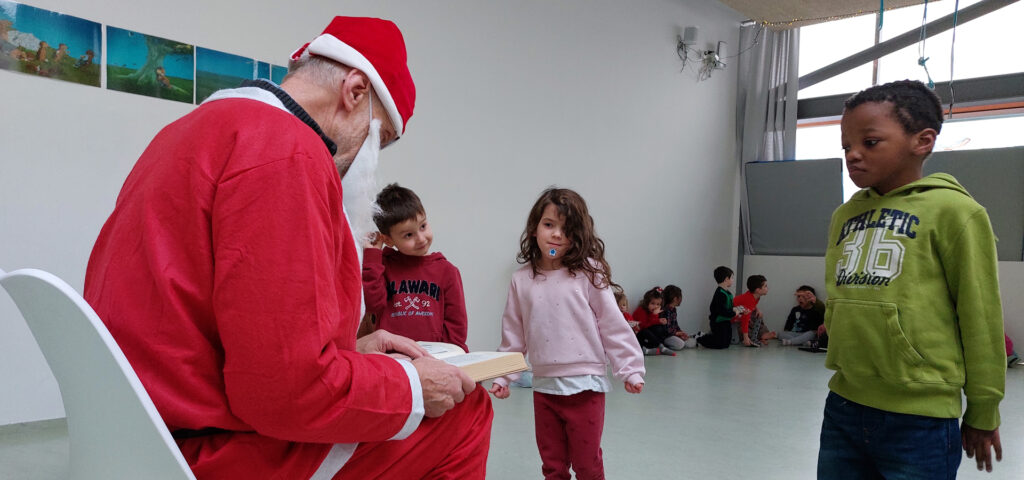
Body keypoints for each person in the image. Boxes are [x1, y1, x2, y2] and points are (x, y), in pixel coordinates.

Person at [84, 16, 492, 479]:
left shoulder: (189, 132)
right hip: (212, 453)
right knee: (464, 410)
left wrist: (357, 350)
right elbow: (286, 395)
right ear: (354, 91)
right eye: (378, 138)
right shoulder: (286, 152)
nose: (369, 158)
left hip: (146, 435)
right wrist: (410, 384)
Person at [818, 80, 1006, 478]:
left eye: (870, 142)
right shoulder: (844, 215)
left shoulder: (956, 212)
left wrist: (984, 409)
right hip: (844, 405)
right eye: (846, 146)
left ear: (922, 141)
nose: (853, 155)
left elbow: (981, 317)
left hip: (919, 418)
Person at [488, 188, 645, 480]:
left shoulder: (589, 273)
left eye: (566, 229)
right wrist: (503, 375)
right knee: (553, 466)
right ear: (535, 227)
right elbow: (513, 335)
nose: (557, 234)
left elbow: (612, 325)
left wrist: (630, 369)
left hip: (586, 387)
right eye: (549, 225)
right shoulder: (521, 279)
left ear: (578, 235)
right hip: (545, 388)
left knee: (587, 465)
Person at [362, 183, 469, 351]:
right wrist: (372, 256)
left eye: (423, 226)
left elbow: (457, 326)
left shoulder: (447, 271)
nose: (420, 238)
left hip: (436, 358)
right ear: (389, 240)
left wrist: (451, 357)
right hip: (393, 358)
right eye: (408, 235)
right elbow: (372, 305)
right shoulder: (382, 265)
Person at [696, 266, 744, 349]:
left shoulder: (728, 293)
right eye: (731, 278)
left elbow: (730, 308)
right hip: (718, 322)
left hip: (726, 321)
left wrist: (740, 311)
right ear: (726, 279)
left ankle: (707, 337)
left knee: (726, 344)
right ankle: (700, 338)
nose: (733, 280)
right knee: (720, 344)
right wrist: (735, 312)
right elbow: (723, 311)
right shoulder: (720, 294)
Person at [633, 287, 681, 355]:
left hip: (648, 338)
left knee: (659, 328)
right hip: (639, 336)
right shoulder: (641, 311)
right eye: (653, 303)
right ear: (647, 303)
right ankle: (661, 347)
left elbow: (653, 324)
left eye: (658, 304)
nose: (655, 306)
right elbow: (643, 326)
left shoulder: (653, 311)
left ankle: (655, 348)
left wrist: (660, 321)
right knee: (646, 331)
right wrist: (655, 317)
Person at [732, 275, 775, 347]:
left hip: (743, 314)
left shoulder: (755, 296)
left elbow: (751, 305)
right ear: (758, 290)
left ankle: (761, 334)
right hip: (734, 319)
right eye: (765, 286)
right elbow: (744, 320)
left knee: (758, 316)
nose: (767, 288)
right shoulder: (749, 299)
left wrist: (757, 309)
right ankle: (758, 336)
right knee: (743, 330)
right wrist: (746, 338)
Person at [659, 284, 696, 349]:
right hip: (667, 336)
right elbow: (666, 330)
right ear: (675, 298)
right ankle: (663, 345)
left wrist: (681, 333)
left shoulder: (673, 310)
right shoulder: (665, 310)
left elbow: (675, 325)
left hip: (674, 335)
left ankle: (680, 341)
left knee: (692, 342)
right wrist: (677, 334)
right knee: (680, 344)